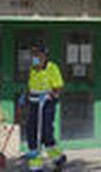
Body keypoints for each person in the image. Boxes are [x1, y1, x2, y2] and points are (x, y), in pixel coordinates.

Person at [23, 43, 65, 171]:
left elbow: (58, 86)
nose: (35, 57)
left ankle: (58, 158)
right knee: (32, 133)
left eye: (38, 54)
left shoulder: (52, 68)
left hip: (47, 103)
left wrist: (50, 95)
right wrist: (25, 96)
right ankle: (35, 166)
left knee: (46, 133)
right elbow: (31, 85)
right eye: (33, 55)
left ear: (44, 56)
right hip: (33, 102)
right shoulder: (33, 69)